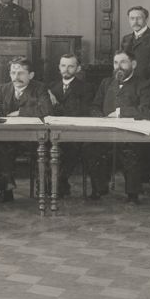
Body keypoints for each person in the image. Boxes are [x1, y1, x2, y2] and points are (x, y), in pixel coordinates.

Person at [84, 50, 150, 203]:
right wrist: (99, 117)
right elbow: (95, 105)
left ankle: (132, 194)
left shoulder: (143, 84)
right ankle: (99, 188)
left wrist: (119, 113)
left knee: (131, 151)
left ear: (133, 64)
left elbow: (146, 110)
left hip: (131, 134)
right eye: (116, 63)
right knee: (91, 148)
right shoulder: (106, 83)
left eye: (123, 62)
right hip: (106, 133)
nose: (118, 66)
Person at [0, 57, 52, 202]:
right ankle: (6, 189)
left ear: (31, 75)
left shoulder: (39, 88)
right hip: (9, 138)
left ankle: (42, 188)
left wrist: (20, 113)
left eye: (20, 73)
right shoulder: (3, 88)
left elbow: (46, 110)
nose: (16, 77)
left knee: (44, 149)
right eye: (13, 73)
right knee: (1, 147)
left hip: (32, 139)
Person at [47, 54, 92, 197]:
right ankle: (55, 183)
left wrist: (56, 105)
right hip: (54, 130)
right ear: (59, 67)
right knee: (44, 146)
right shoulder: (51, 87)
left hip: (75, 131)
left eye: (70, 66)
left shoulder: (86, 88)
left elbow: (79, 113)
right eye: (63, 65)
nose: (66, 69)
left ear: (78, 68)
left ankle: (58, 181)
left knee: (72, 148)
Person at [120, 5, 150, 90]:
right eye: (132, 18)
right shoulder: (126, 39)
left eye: (139, 18)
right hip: (129, 86)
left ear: (146, 19)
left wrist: (148, 85)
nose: (135, 22)